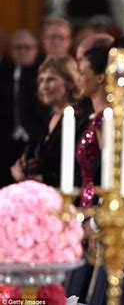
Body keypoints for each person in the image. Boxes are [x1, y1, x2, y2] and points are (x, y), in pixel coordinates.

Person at [9, 56, 87, 187]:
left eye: (51, 79)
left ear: (70, 82)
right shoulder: (49, 119)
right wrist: (25, 167)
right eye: (41, 80)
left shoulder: (78, 120)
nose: (44, 86)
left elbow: (76, 172)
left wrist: (36, 179)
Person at [0, 29, 49, 187]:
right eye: (17, 47)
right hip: (6, 140)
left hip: (33, 140)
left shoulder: (43, 76)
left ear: (36, 49)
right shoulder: (4, 73)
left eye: (27, 48)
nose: (22, 52)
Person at [75, 46, 109, 207]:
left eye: (82, 73)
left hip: (97, 207)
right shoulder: (95, 118)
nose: (78, 79)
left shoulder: (106, 120)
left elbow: (106, 171)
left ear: (100, 77)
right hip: (85, 202)